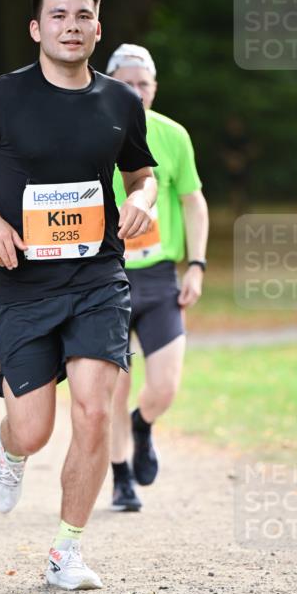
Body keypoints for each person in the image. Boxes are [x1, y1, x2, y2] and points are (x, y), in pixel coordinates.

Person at [0, 0, 157, 591]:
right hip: (23, 281)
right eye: (58, 15)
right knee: (34, 428)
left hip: (98, 275)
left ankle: (67, 552)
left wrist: (142, 198)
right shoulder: (3, 98)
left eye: (83, 15)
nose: (71, 25)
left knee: (94, 413)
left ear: (98, 27)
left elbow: (141, 175)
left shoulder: (120, 101)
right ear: (37, 28)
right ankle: (9, 449)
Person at [107, 44, 208, 512]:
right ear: (109, 83)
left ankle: (143, 426)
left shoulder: (172, 135)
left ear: (154, 88)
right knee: (112, 384)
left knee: (164, 386)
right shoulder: (89, 132)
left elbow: (192, 200)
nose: (135, 91)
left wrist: (197, 264)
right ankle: (120, 477)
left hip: (159, 277)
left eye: (143, 83)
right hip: (103, 277)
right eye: (125, 82)